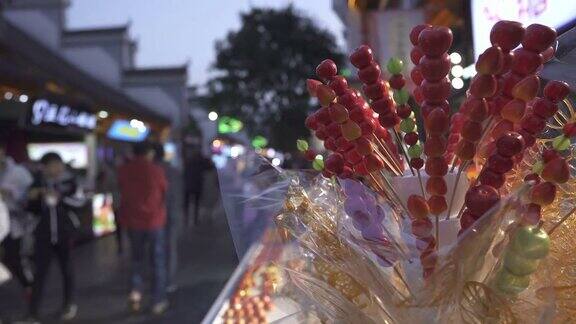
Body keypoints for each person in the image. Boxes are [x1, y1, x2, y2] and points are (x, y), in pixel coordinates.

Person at [26, 152, 84, 322]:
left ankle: (69, 304)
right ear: (44, 167)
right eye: (50, 165)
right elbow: (30, 209)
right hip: (43, 236)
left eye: (57, 164)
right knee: (40, 274)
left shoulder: (70, 183)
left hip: (64, 233)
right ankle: (33, 313)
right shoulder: (37, 183)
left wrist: (61, 198)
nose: (55, 168)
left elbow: (80, 202)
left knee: (67, 270)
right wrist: (34, 198)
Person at [118, 141, 168, 314]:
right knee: (157, 261)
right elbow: (163, 191)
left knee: (136, 260)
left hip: (132, 222)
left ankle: (135, 295)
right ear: (150, 153)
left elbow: (120, 192)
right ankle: (157, 301)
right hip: (154, 221)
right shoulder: (156, 170)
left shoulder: (124, 169)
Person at [0, 144, 34, 293]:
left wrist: (13, 193)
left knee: (14, 257)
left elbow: (31, 197)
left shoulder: (18, 172)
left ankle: (29, 286)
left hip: (15, 223)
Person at [154, 144, 182, 293]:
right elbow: (177, 195)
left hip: (154, 215)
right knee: (170, 249)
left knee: (155, 249)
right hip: (170, 214)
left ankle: (158, 280)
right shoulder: (173, 171)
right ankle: (169, 281)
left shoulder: (152, 170)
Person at [184, 148, 213, 225]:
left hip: (189, 185)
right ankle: (194, 220)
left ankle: (187, 219)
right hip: (197, 185)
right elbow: (210, 167)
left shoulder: (189, 161)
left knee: (187, 204)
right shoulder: (201, 161)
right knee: (196, 204)